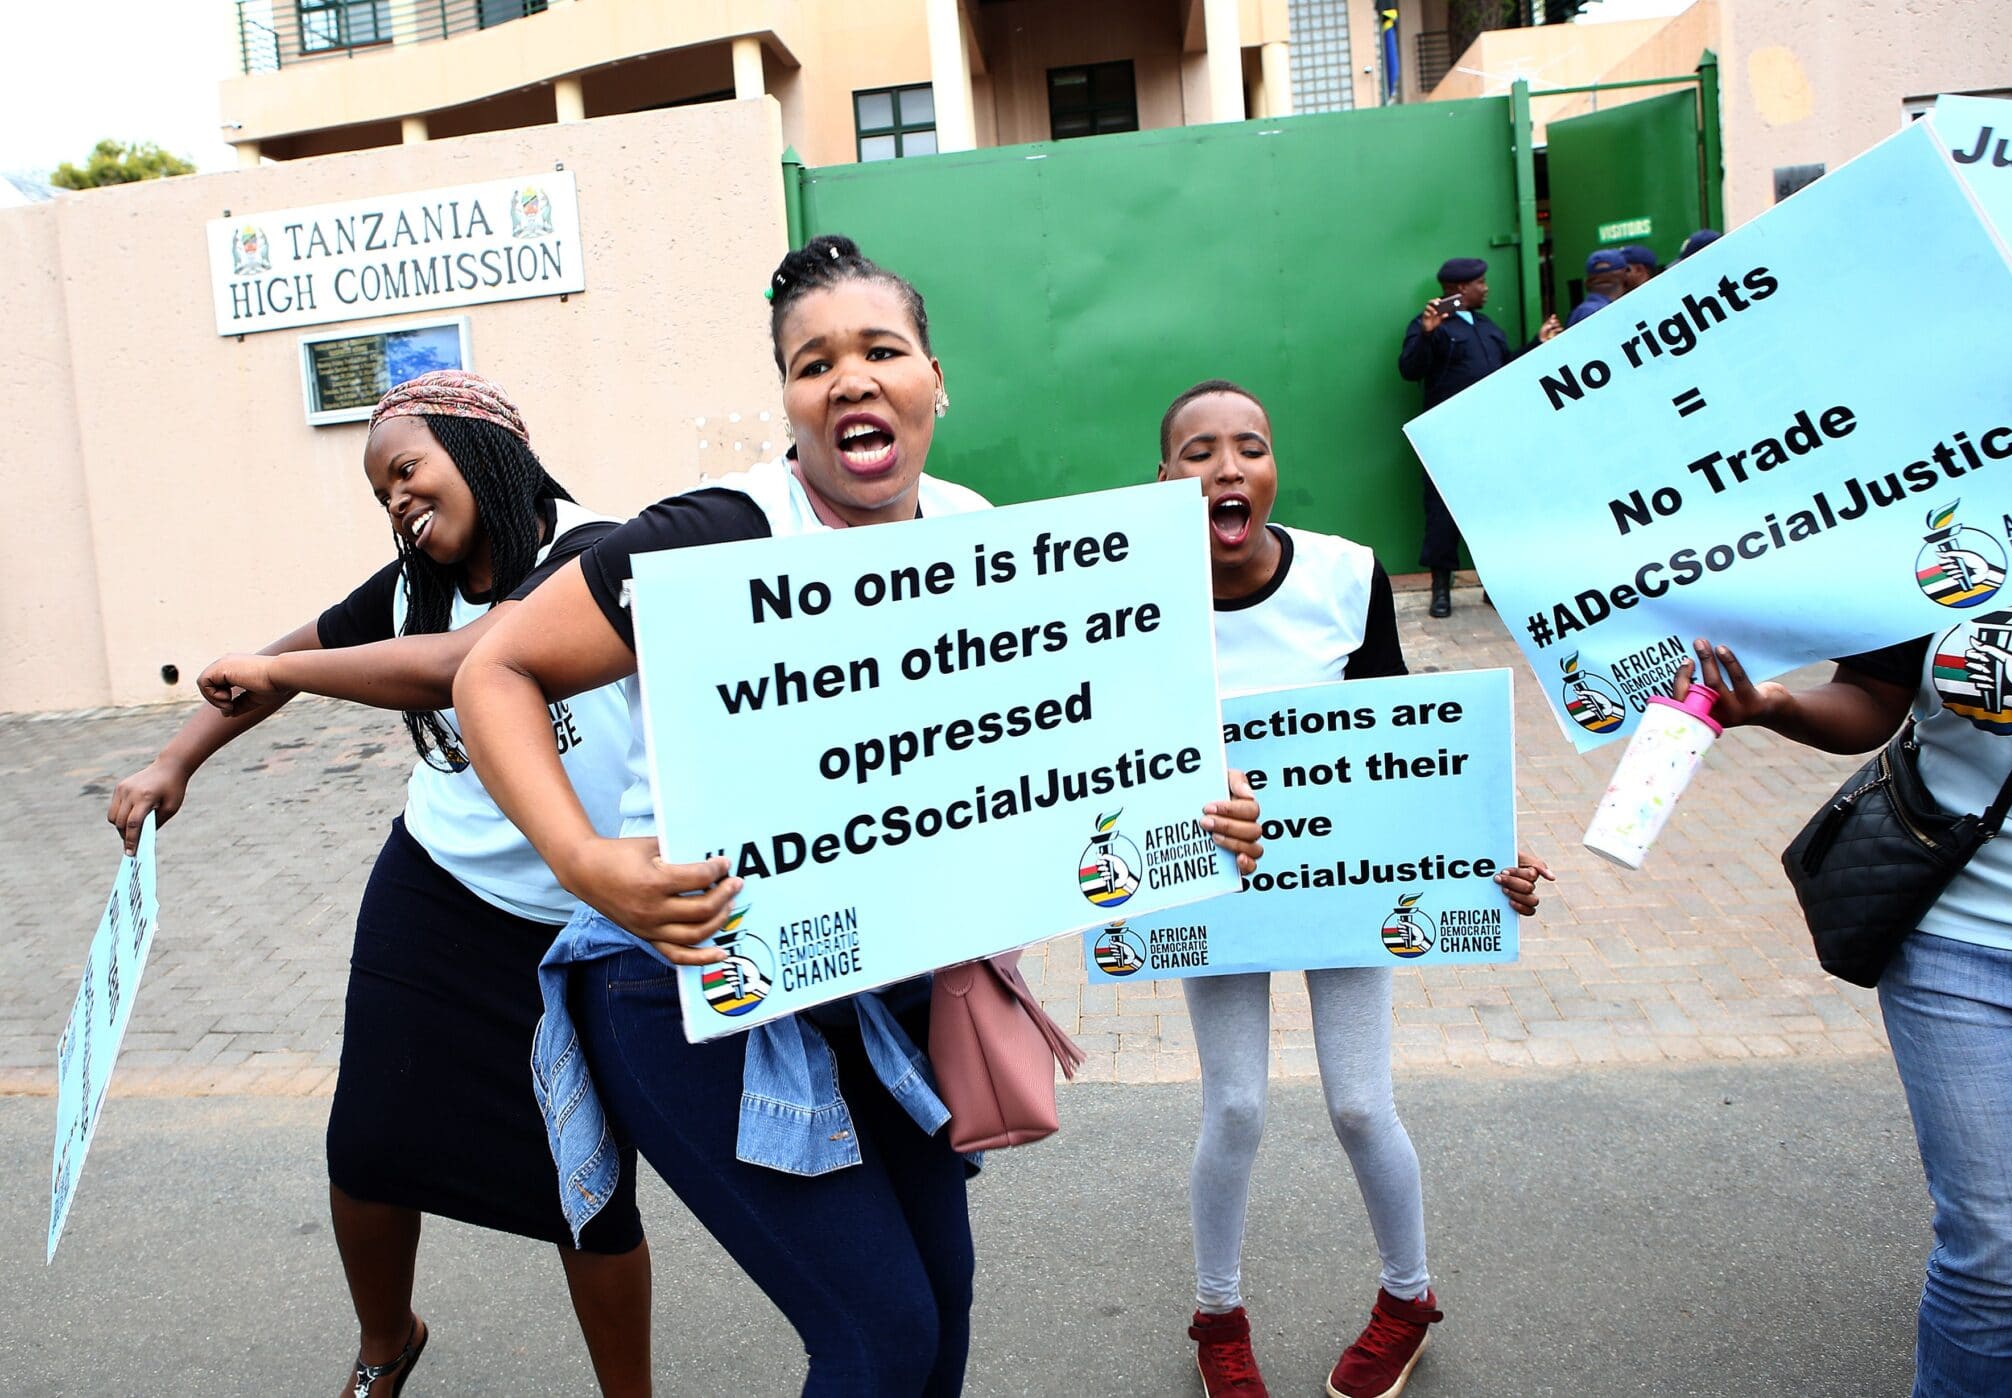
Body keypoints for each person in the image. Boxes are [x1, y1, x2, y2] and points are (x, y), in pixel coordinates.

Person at [451, 235, 1271, 1397]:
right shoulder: (718, 534)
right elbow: (493, 670)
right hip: (689, 983)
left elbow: (1052, 742)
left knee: (938, 1312)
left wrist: (1193, 812)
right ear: (787, 400)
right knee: (878, 1339)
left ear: (935, 379)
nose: (849, 380)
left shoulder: (973, 526)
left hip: (882, 986)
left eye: (880, 351)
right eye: (813, 363)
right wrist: (582, 861)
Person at [105, 371, 654, 1398]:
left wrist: (286, 675)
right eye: (380, 493)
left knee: (586, 1189)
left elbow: (461, 664)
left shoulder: (594, 555)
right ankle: (385, 1343)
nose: (397, 500)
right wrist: (174, 760)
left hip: (581, 916)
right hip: (437, 888)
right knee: (366, 1144)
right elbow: (272, 662)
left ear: (482, 449)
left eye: (406, 470)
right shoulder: (409, 589)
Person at [1156, 378, 1555, 1398]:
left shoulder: (1345, 573)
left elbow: (1401, 741)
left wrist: (1484, 855)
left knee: (1362, 1105)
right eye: (1199, 451)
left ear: (1272, 466)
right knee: (1234, 1107)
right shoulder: (1134, 603)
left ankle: (1407, 1298)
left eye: (1250, 445)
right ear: (1163, 479)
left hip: (1339, 883)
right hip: (1214, 885)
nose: (1227, 466)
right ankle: (1215, 1316)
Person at [1676, 634, 2012, 1398]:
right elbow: (1872, 698)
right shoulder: (1942, 555)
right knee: (2003, 1261)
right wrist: (1773, 705)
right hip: (1964, 942)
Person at [1397, 258, 1558, 618]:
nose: (1485, 289)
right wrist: (1426, 334)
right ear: (1460, 288)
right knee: (1442, 511)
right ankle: (1441, 589)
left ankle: (1494, 588)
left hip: (1490, 432)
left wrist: (1537, 343)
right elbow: (1409, 368)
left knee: (1494, 508)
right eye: (1480, 283)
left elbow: (1506, 369)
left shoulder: (1487, 326)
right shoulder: (1431, 324)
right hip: (1448, 437)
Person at [1565, 248, 1629, 328]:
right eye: (1628, 271)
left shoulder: (1586, 310)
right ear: (1623, 274)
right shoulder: (1592, 312)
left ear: (1589, 280)